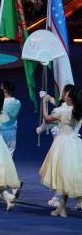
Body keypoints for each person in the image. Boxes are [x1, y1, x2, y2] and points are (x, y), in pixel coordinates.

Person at [38, 85, 82, 217]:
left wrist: (44, 102)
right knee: (68, 178)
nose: (63, 94)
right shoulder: (78, 110)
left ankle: (61, 208)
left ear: (69, 96)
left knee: (63, 177)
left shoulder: (63, 111)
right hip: (75, 144)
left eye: (65, 92)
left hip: (63, 144)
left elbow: (46, 118)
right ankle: (61, 208)